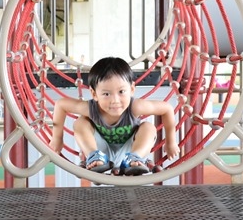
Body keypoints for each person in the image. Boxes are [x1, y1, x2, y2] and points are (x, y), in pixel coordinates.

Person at [50, 57, 179, 176]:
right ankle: (93, 157)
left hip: (131, 151)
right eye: (106, 94)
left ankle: (135, 159)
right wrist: (57, 139)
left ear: (132, 89)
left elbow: (167, 109)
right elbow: (61, 105)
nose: (115, 100)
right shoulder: (92, 108)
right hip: (101, 152)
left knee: (148, 127)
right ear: (94, 94)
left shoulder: (135, 106)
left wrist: (171, 142)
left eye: (121, 92)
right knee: (80, 122)